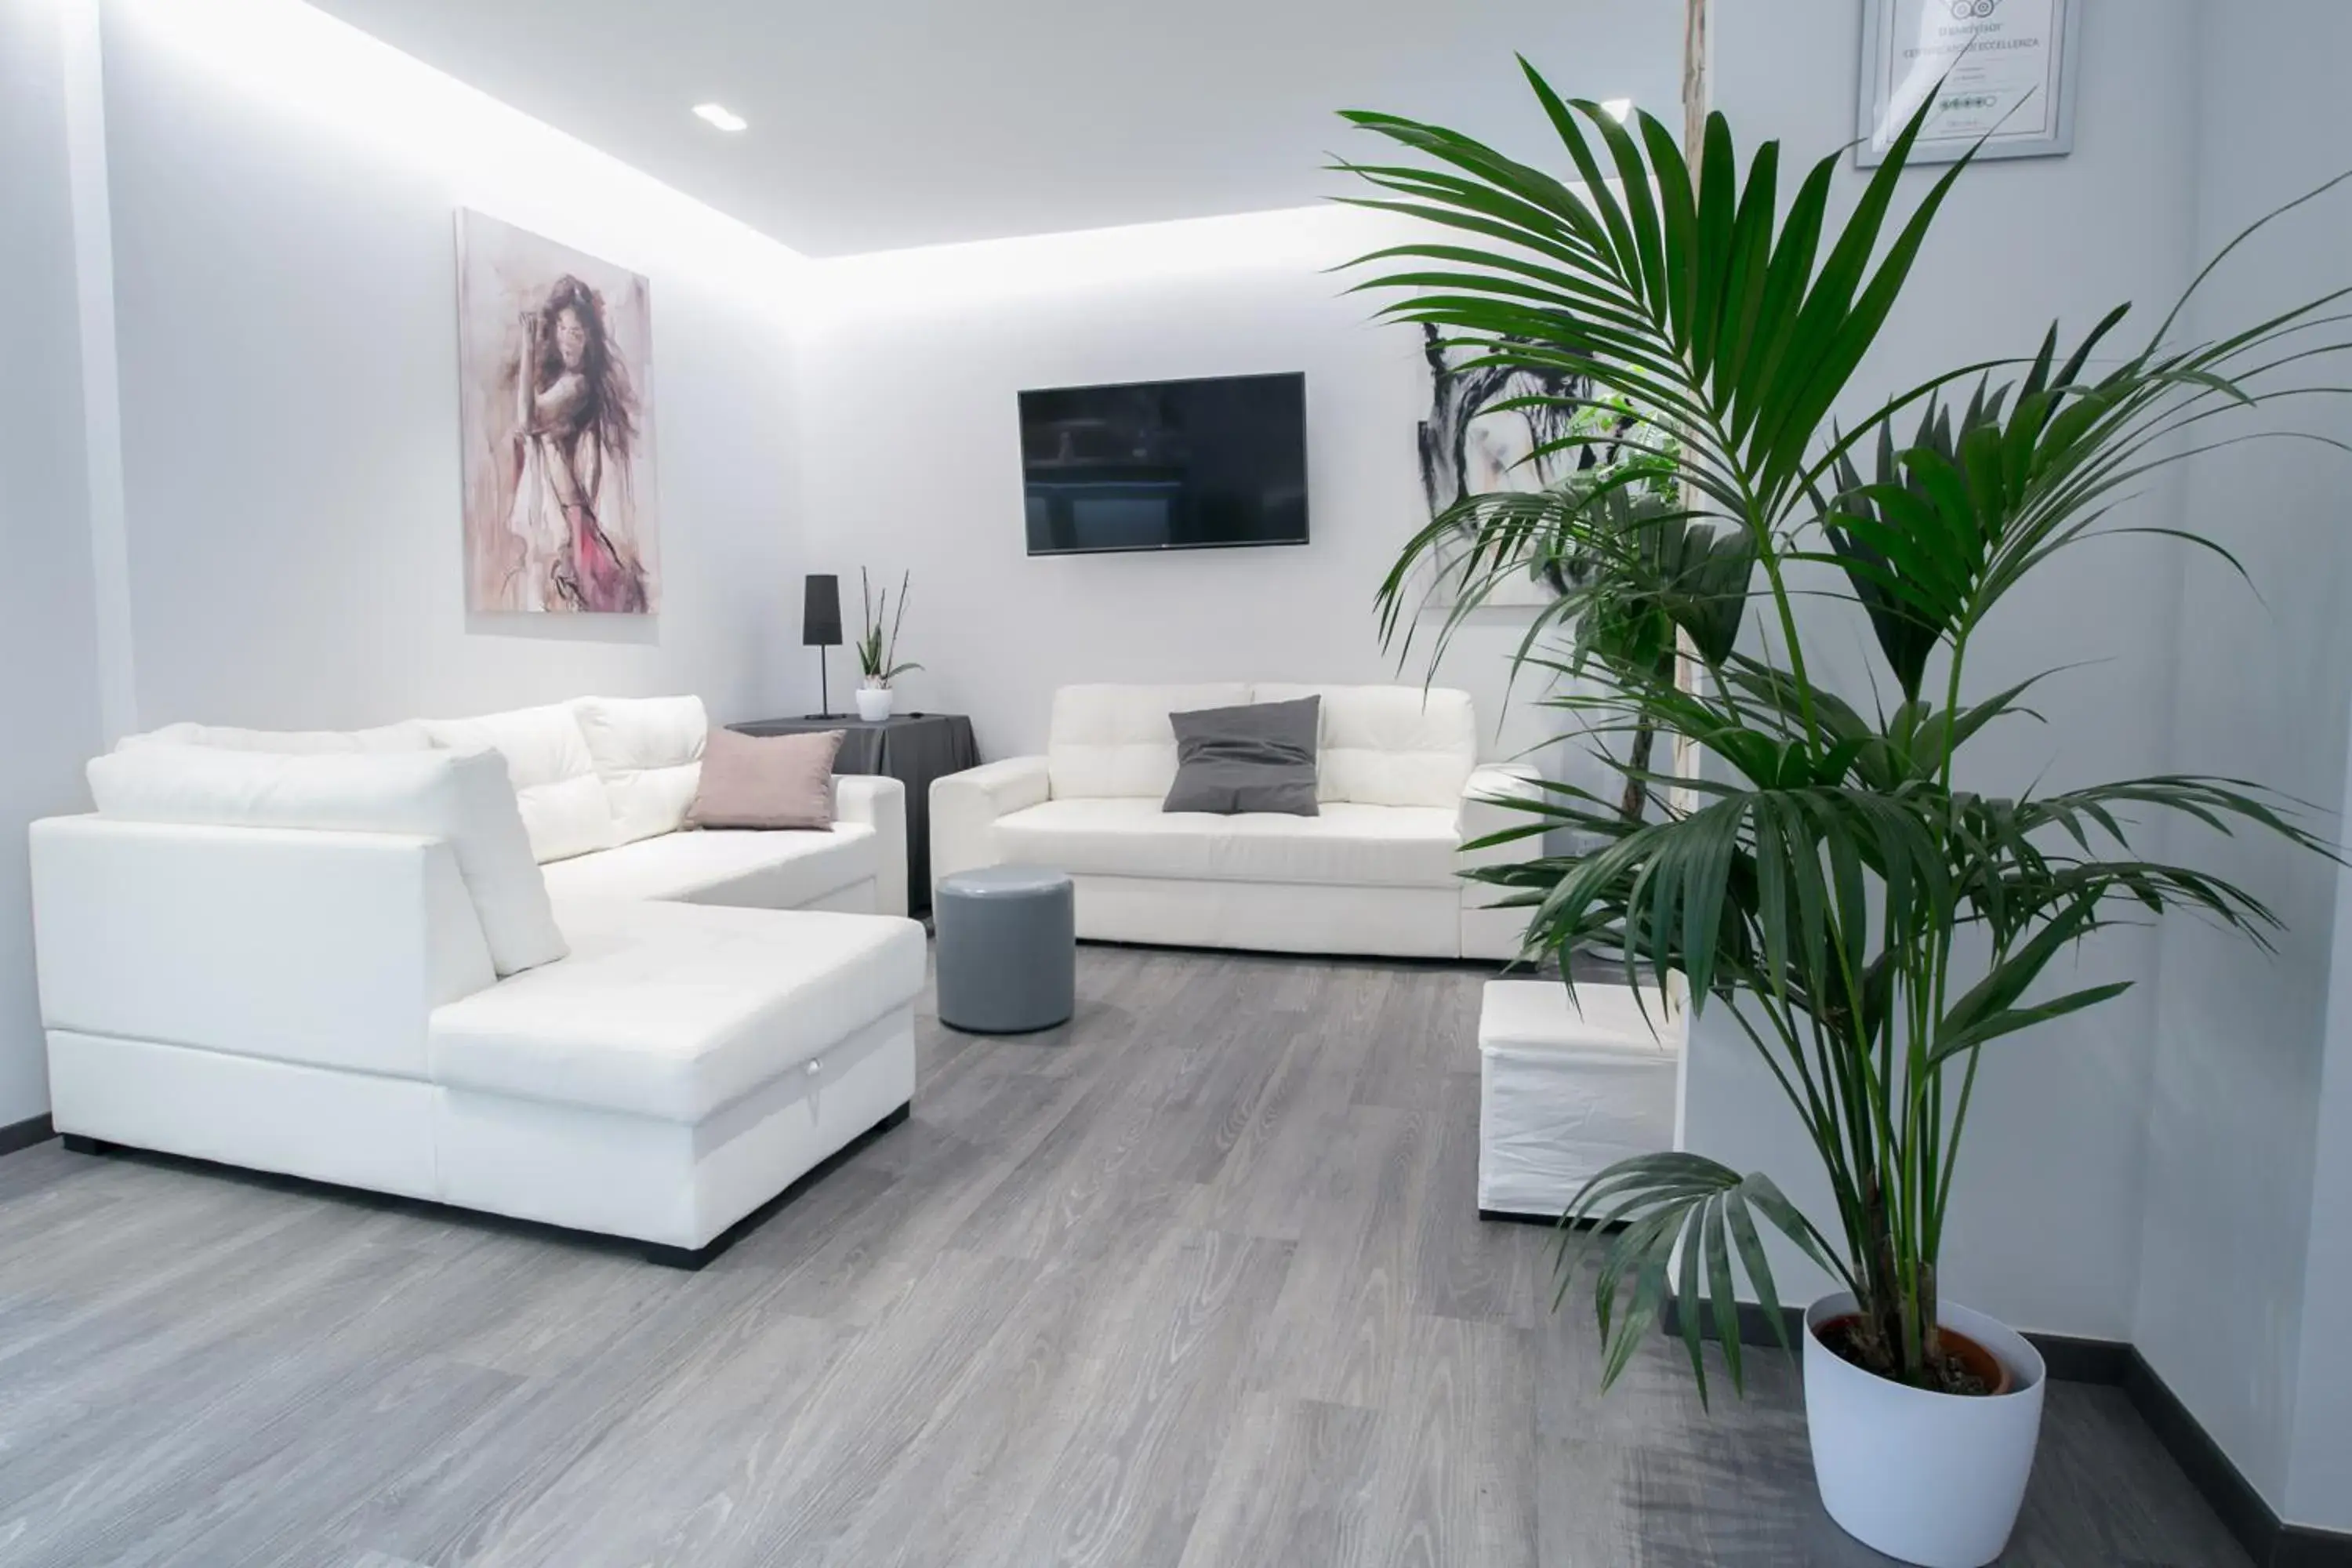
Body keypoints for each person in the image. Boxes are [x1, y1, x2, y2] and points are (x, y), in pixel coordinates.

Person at [506, 274, 648, 612]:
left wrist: (526, 346)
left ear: (589, 340)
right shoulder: (562, 382)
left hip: (573, 521)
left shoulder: (578, 386)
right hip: (566, 520)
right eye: (561, 329)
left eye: (576, 333)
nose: (567, 341)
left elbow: (527, 419)